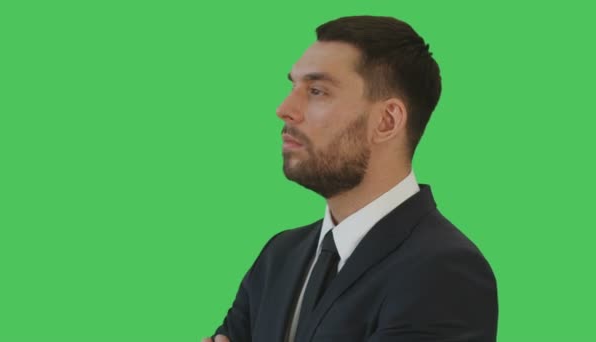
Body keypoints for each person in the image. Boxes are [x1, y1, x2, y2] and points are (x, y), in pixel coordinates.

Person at [202, 15, 498, 342]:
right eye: (293, 86)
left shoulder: (445, 272)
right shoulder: (279, 255)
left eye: (317, 91)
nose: (285, 108)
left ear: (386, 121)